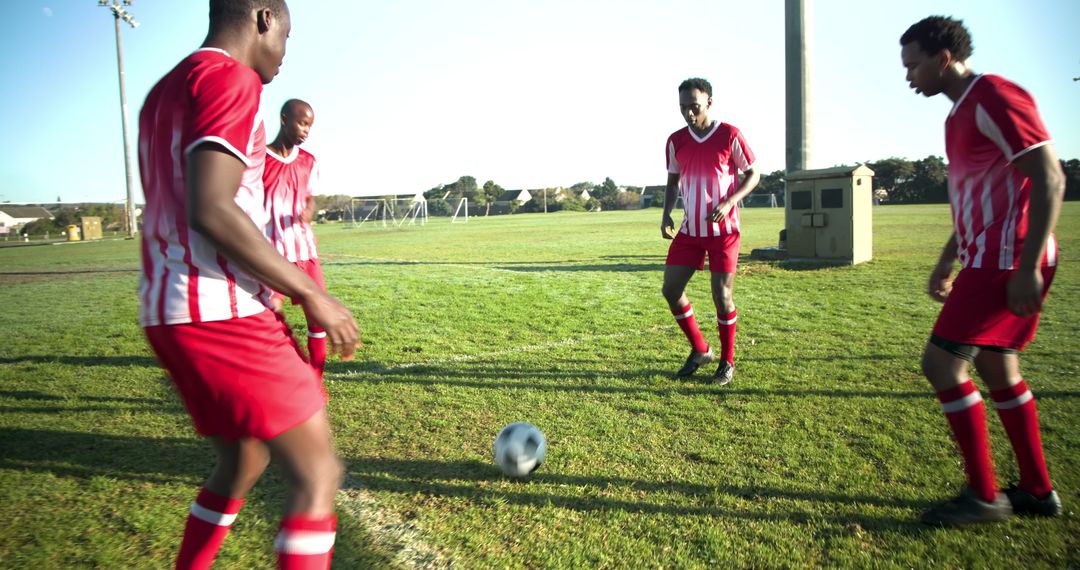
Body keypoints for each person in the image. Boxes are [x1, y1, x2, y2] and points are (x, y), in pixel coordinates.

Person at [137, 1, 360, 567]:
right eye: (286, 35)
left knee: (243, 462)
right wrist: (312, 293)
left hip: (168, 311)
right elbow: (211, 207)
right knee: (318, 473)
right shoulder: (230, 78)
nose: (285, 52)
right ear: (264, 17)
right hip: (220, 307)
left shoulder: (167, 87)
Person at [900, 16, 1065, 526]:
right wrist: (950, 254)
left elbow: (1050, 177)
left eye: (913, 65)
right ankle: (1037, 490)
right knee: (998, 369)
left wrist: (1027, 266)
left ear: (942, 58)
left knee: (941, 364)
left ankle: (984, 496)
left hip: (1008, 258)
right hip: (988, 256)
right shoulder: (956, 117)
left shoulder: (994, 94)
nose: (909, 77)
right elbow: (974, 195)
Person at [660, 77, 760, 385]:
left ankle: (727, 362)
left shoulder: (730, 135)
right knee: (671, 289)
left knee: (722, 295)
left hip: (724, 231)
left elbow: (753, 173)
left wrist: (730, 201)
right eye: (683, 107)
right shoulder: (676, 140)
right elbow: (673, 180)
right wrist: (666, 212)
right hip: (690, 230)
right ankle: (701, 350)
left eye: (694, 106)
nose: (689, 113)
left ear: (709, 103)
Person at [264, 98, 329, 380]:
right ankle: (274, 376)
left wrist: (308, 211)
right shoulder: (258, 159)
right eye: (302, 123)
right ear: (283, 119)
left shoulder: (309, 161)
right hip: (271, 256)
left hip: (305, 252)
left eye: (309, 127)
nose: (305, 131)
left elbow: (310, 197)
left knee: (319, 315)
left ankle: (316, 379)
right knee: (268, 320)